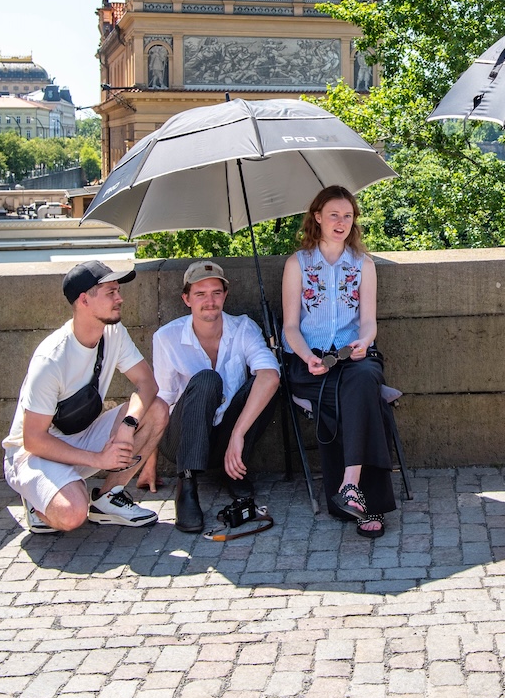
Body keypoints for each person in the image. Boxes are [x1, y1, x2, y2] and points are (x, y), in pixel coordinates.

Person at [2, 261, 168, 534]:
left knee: (157, 410)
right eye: (110, 293)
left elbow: (147, 383)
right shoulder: (51, 359)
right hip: (33, 454)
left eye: (118, 291)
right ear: (84, 300)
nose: (120, 298)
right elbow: (33, 439)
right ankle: (38, 502)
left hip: (82, 435)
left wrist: (128, 425)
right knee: (72, 515)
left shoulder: (113, 332)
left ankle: (108, 498)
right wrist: (98, 460)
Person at [281, 185, 394, 538]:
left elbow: (369, 323)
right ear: (317, 217)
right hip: (309, 362)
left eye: (348, 216)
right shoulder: (297, 264)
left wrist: (364, 342)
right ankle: (366, 503)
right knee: (360, 402)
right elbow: (289, 327)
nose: (341, 222)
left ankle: (348, 486)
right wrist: (307, 357)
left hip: (354, 357)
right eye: (333, 215)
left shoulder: (363, 265)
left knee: (360, 383)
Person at [148, 260, 281, 533]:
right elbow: (162, 400)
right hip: (181, 441)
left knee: (265, 385)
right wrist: (148, 461)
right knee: (208, 380)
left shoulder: (243, 328)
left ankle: (232, 467)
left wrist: (238, 435)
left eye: (216, 293)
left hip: (226, 438)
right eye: (200, 294)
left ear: (225, 295)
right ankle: (186, 487)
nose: (210, 301)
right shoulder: (166, 337)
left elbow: (270, 375)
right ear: (186, 299)